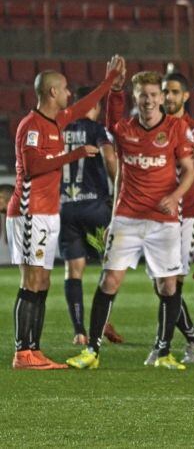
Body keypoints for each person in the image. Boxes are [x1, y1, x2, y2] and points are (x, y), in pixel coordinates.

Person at [66, 67, 194, 370]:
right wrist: (113, 217)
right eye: (142, 96)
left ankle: (163, 351)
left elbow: (189, 170)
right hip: (127, 217)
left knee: (168, 286)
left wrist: (175, 196)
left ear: (161, 97)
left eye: (153, 95)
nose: (148, 101)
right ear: (135, 98)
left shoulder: (176, 128)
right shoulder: (123, 129)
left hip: (163, 221)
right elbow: (119, 172)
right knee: (109, 280)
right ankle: (92, 351)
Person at [9, 57, 122, 369]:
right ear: (52, 92)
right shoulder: (31, 126)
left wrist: (109, 81)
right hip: (29, 211)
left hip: (48, 211)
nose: (70, 94)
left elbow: (85, 104)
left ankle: (34, 350)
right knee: (31, 281)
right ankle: (23, 352)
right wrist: (75, 154)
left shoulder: (57, 121)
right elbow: (32, 167)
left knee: (43, 281)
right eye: (66, 89)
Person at [138, 72, 194, 365]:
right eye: (165, 91)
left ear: (186, 96)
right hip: (157, 216)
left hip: (189, 215)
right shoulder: (151, 127)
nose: (168, 97)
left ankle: (162, 345)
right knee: (160, 284)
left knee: (172, 283)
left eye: (175, 92)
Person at [59, 86, 119, 346]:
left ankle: (79, 331)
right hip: (95, 208)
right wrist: (118, 188)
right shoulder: (97, 130)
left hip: (66, 208)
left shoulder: (59, 129)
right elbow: (109, 158)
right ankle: (103, 319)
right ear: (95, 106)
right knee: (112, 266)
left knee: (73, 270)